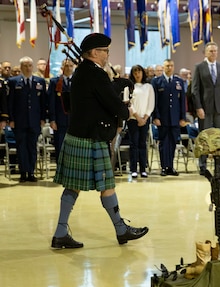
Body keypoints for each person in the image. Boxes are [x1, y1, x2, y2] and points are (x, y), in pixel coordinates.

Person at [51, 33, 149, 249]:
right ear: (95, 53)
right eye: (105, 51)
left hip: (78, 135)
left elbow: (97, 97)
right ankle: (121, 229)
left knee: (72, 186)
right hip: (91, 138)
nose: (107, 54)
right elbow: (114, 105)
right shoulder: (95, 74)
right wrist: (125, 106)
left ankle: (60, 232)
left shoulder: (83, 72)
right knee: (107, 185)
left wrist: (113, 85)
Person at [192, 42, 220, 176]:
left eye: (215, 51)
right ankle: (202, 165)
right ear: (205, 53)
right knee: (205, 137)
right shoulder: (199, 67)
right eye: (210, 51)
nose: (213, 53)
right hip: (205, 108)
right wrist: (198, 107)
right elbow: (195, 90)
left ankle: (219, 166)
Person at [8, 56, 47, 182]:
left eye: (30, 65)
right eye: (25, 65)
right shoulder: (14, 81)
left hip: (35, 121)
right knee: (21, 147)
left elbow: (43, 103)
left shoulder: (39, 81)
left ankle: (31, 172)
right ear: (20, 67)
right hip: (19, 121)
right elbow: (10, 102)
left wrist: (43, 118)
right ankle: (23, 172)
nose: (28, 68)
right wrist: (11, 119)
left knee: (32, 147)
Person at [151, 59, 186, 176]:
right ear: (163, 67)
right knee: (163, 143)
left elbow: (182, 101)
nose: (169, 68)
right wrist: (156, 117)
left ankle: (170, 166)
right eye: (167, 66)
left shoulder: (178, 81)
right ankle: (164, 167)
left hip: (175, 118)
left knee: (173, 143)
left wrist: (183, 117)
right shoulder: (157, 82)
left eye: (171, 65)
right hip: (163, 118)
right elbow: (154, 101)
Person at [128, 65, 155, 178]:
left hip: (145, 119)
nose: (137, 74)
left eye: (139, 72)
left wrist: (145, 117)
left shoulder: (148, 87)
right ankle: (133, 169)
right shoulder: (129, 87)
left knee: (142, 144)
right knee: (134, 144)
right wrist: (137, 117)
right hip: (133, 119)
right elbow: (129, 103)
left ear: (143, 73)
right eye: (135, 72)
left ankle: (143, 168)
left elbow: (151, 103)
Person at [47, 59, 75, 163]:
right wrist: (52, 119)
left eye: (71, 66)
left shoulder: (77, 81)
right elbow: (51, 102)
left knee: (73, 146)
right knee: (60, 145)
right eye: (66, 66)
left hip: (74, 121)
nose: (68, 68)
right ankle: (60, 170)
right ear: (62, 68)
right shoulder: (55, 82)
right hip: (60, 120)